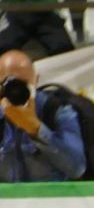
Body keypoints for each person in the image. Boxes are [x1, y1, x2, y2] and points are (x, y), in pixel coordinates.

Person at [0, 49, 84, 182]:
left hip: (51, 200)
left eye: (22, 85)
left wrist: (36, 129)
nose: (15, 91)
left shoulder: (55, 110)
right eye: (7, 85)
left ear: (36, 80)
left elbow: (77, 168)